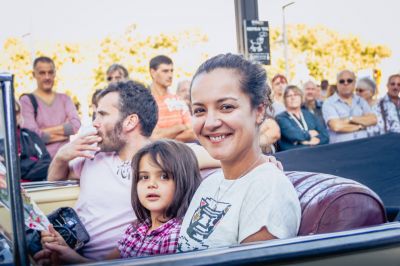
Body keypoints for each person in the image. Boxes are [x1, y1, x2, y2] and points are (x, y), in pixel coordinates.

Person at [46, 81, 218, 259]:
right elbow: (54, 186)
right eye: (94, 115)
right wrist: (61, 157)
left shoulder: (165, 157)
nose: (94, 123)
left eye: (102, 115)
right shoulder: (91, 155)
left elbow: (226, 157)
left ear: (130, 121)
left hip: (115, 261)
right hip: (68, 247)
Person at [178, 54, 301, 251]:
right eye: (199, 110)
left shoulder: (267, 188)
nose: (210, 122)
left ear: (259, 111)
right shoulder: (211, 183)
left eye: (226, 107)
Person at [36, 140, 202, 264]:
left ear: (184, 181)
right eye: (144, 177)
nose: (151, 184)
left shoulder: (176, 236)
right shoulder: (136, 229)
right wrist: (63, 254)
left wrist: (73, 259)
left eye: (164, 176)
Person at [20, 56, 81, 157]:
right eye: (42, 73)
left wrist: (42, 131)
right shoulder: (26, 101)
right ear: (34, 75)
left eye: (50, 72)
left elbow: (75, 126)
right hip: (41, 163)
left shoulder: (65, 99)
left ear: (55, 73)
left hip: (67, 161)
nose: (47, 77)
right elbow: (31, 135)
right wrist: (64, 134)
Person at [0, 101, 51, 181]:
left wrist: (19, 167)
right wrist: (31, 161)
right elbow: (5, 169)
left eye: (16, 112)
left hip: (35, 188)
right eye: (7, 112)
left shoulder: (30, 136)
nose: (12, 116)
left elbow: (47, 164)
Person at [149, 55, 196, 142]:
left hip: (181, 152)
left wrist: (164, 136)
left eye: (171, 71)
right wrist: (181, 127)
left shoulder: (178, 100)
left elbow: (193, 133)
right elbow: (152, 137)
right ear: (153, 73)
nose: (170, 75)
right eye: (165, 71)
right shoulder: (146, 101)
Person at [322, 70, 377, 143]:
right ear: (337, 84)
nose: (345, 83)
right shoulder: (329, 103)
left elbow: (373, 120)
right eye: (341, 81)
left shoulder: (361, 101)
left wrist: (350, 118)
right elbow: (336, 126)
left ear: (354, 83)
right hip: (342, 149)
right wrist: (360, 126)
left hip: (363, 146)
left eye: (349, 80)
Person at [276, 85, 329, 151]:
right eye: (289, 96)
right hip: (293, 156)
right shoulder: (280, 118)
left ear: (301, 97)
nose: (293, 98)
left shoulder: (309, 114)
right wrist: (310, 134)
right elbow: (293, 135)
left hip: (314, 154)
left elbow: (325, 135)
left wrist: (316, 140)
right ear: (284, 99)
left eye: (296, 95)